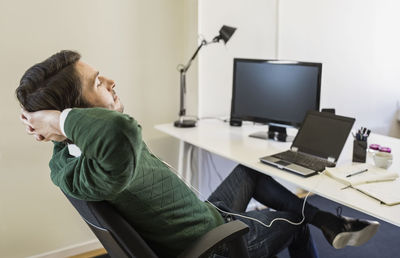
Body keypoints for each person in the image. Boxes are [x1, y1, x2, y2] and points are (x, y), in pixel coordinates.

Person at [16, 50, 379, 258]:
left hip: (204, 214)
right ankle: (318, 222)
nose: (110, 81)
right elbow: (121, 129)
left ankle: (332, 222)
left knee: (250, 173)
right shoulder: (109, 157)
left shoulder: (68, 160)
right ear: (77, 113)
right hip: (217, 242)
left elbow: (101, 135)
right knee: (292, 221)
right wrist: (58, 118)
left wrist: (57, 124)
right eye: (97, 82)